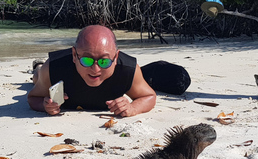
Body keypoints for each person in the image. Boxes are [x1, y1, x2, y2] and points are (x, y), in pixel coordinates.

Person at [28, 25, 190, 117]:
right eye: (87, 60)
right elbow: (33, 97)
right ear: (74, 55)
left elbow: (149, 96)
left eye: (104, 61)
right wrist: (46, 106)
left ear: (116, 56)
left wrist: (133, 108)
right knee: (38, 77)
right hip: (47, 72)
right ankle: (37, 68)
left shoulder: (128, 70)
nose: (95, 69)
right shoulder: (55, 67)